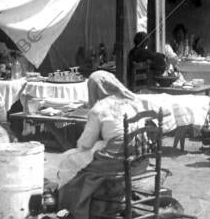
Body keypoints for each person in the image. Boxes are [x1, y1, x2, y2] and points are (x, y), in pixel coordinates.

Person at [57, 71, 145, 218]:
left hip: (115, 162)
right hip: (139, 157)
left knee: (69, 161)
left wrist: (85, 142)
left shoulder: (99, 109)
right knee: (90, 154)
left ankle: (74, 208)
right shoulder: (132, 101)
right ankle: (109, 200)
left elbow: (85, 143)